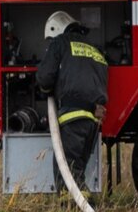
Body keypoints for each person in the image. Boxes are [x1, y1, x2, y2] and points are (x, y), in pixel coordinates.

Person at [36, 11, 108, 192]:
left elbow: (45, 78)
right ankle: (83, 209)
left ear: (57, 29)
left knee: (65, 170)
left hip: (73, 117)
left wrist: (46, 90)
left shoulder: (61, 42)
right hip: (93, 121)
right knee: (77, 170)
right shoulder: (95, 49)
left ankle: (73, 209)